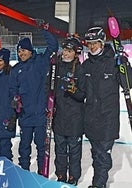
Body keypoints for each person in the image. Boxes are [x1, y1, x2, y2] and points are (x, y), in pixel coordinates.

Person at [82, 26, 132, 188]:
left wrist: (125, 65)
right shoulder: (86, 65)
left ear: (102, 43)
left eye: (94, 43)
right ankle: (98, 183)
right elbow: (81, 91)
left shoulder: (113, 62)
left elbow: (128, 83)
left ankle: (99, 185)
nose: (91, 47)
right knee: (96, 154)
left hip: (107, 118)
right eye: (89, 44)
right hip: (90, 117)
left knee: (103, 155)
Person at [9, 25, 58, 175]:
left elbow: (53, 46)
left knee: (41, 147)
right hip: (25, 115)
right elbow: (12, 89)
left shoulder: (40, 62)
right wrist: (15, 100)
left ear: (30, 51)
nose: (21, 53)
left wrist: (44, 30)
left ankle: (42, 173)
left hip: (40, 114)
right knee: (24, 147)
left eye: (23, 50)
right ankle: (24, 173)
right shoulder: (16, 69)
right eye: (19, 51)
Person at [52, 36, 85, 186]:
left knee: (74, 151)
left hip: (74, 120)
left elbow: (83, 95)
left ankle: (73, 177)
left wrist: (74, 90)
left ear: (75, 53)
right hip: (59, 118)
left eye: (69, 51)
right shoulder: (56, 67)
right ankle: (60, 175)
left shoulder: (80, 69)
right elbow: (49, 89)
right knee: (59, 150)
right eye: (64, 50)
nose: (65, 53)